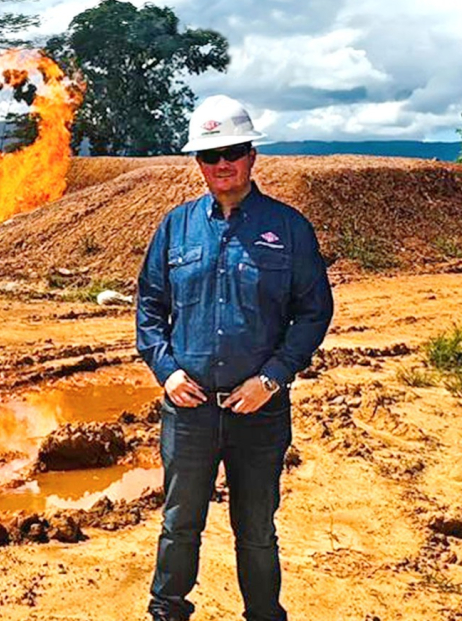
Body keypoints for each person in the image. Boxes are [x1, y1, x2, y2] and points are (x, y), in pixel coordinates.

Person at [135, 95, 334, 621]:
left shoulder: (288, 229)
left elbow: (314, 312)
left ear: (252, 156)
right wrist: (167, 370)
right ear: (197, 163)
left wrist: (271, 378)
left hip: (259, 414)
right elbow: (149, 309)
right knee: (179, 524)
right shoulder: (175, 228)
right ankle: (167, 613)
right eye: (210, 154)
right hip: (190, 411)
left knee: (256, 531)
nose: (222, 164)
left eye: (233, 151)